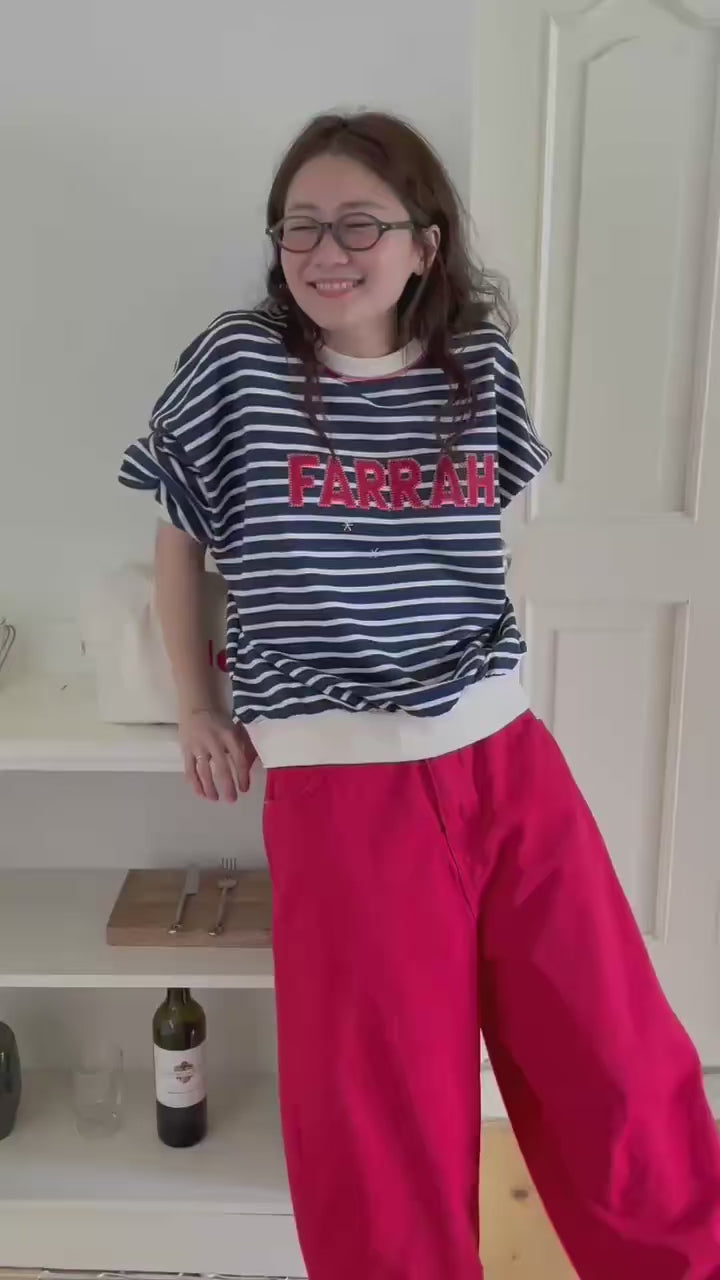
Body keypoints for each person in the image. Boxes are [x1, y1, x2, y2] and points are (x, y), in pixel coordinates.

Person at [119, 111, 720, 1280]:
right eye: (300, 226)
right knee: (383, 1120)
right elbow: (179, 539)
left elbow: (478, 545)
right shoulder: (238, 364)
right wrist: (199, 705)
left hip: (504, 754)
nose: (325, 251)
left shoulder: (475, 367)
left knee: (615, 1055)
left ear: (424, 243)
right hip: (344, 787)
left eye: (359, 224)